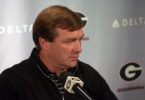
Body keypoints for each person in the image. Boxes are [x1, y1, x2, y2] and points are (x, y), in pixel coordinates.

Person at [0, 5, 118, 100]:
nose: (79, 49)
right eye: (70, 41)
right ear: (44, 43)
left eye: (80, 39)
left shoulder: (88, 74)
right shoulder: (12, 81)